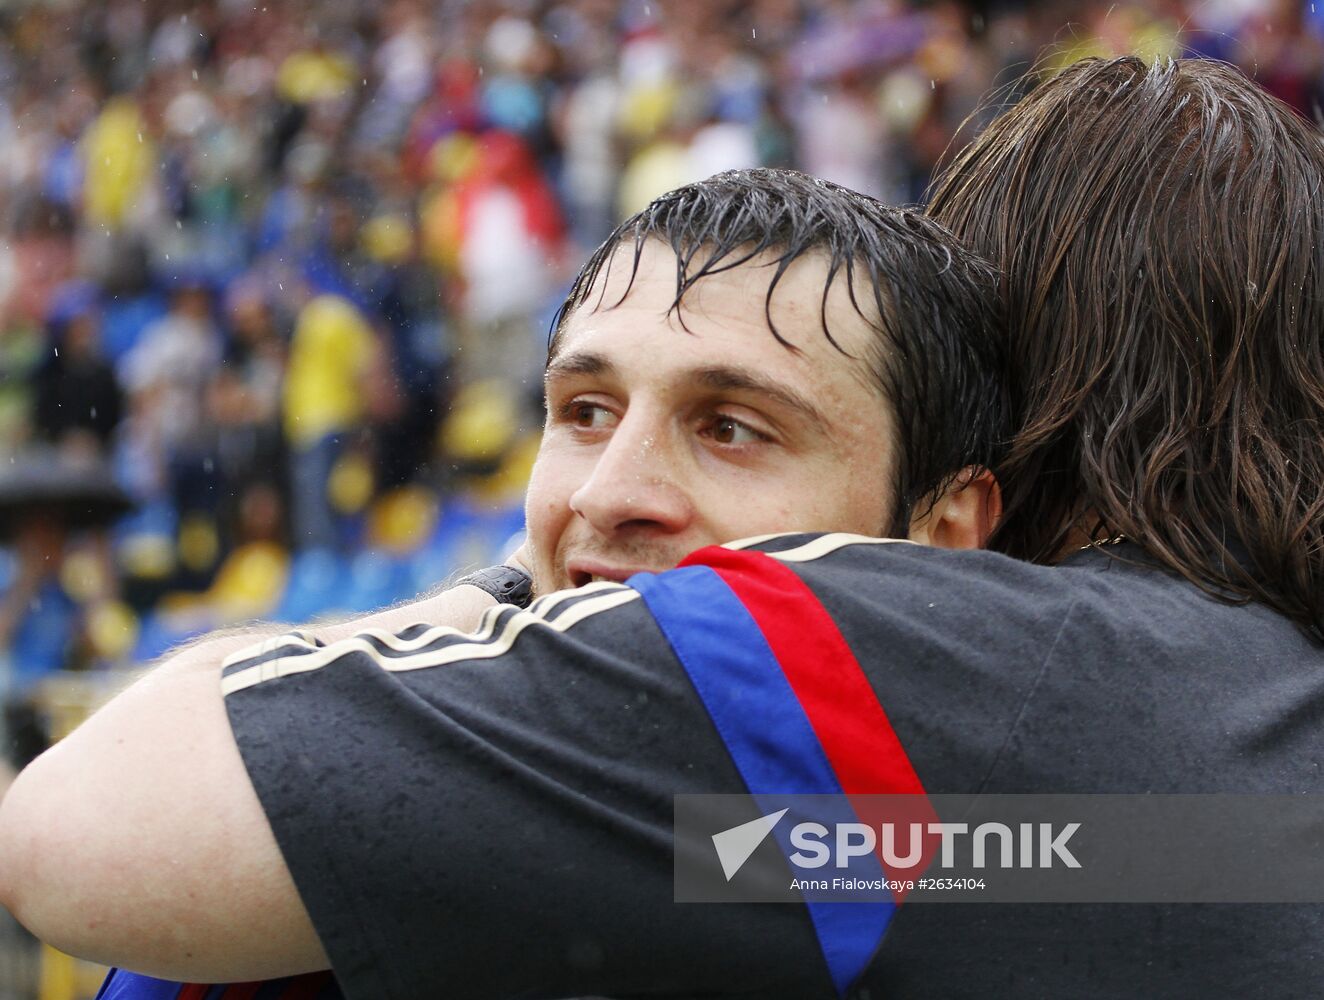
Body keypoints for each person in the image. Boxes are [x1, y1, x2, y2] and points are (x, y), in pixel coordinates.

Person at [0, 168, 1009, 997]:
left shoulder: (1002, 841)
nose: (609, 493)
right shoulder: (418, 821)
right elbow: (64, 839)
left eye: (731, 428)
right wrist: (514, 585)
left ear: (945, 530)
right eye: (583, 411)